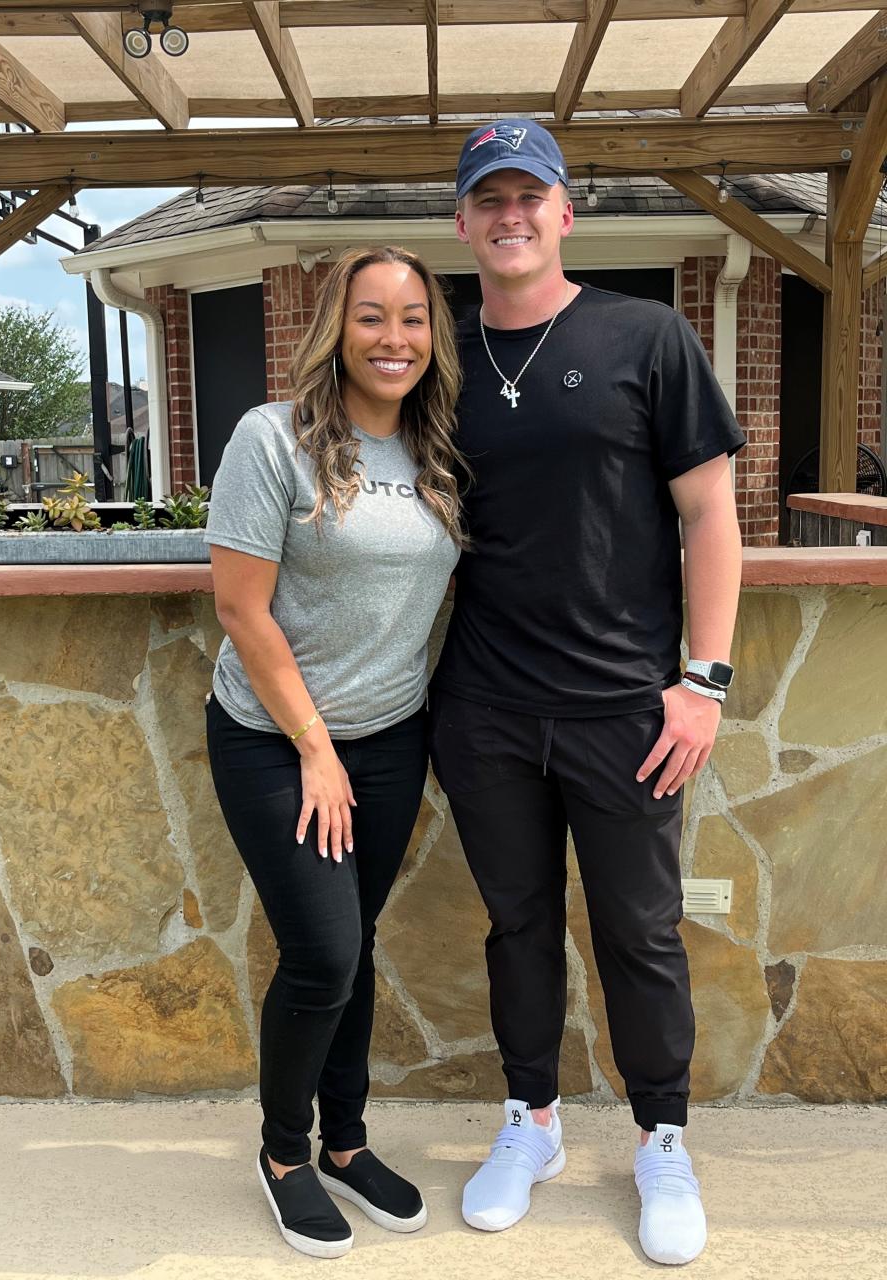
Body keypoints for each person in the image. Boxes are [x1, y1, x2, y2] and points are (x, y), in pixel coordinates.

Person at [429, 120, 745, 1266]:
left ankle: (662, 1137)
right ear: (462, 222)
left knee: (641, 931)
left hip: (627, 707)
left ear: (567, 212)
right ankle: (534, 1123)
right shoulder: (442, 364)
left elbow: (712, 516)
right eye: (488, 197)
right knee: (518, 927)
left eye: (531, 194)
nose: (510, 214)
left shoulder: (646, 337)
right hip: (485, 708)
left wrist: (702, 682)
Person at [205, 246, 465, 1259]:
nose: (394, 338)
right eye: (372, 316)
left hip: (393, 739)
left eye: (412, 318)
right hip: (278, 741)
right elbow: (240, 605)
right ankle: (283, 1154)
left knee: (352, 945)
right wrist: (314, 745)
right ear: (336, 328)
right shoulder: (271, 440)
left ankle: (348, 1143)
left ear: (433, 337)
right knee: (324, 953)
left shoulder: (441, 449)